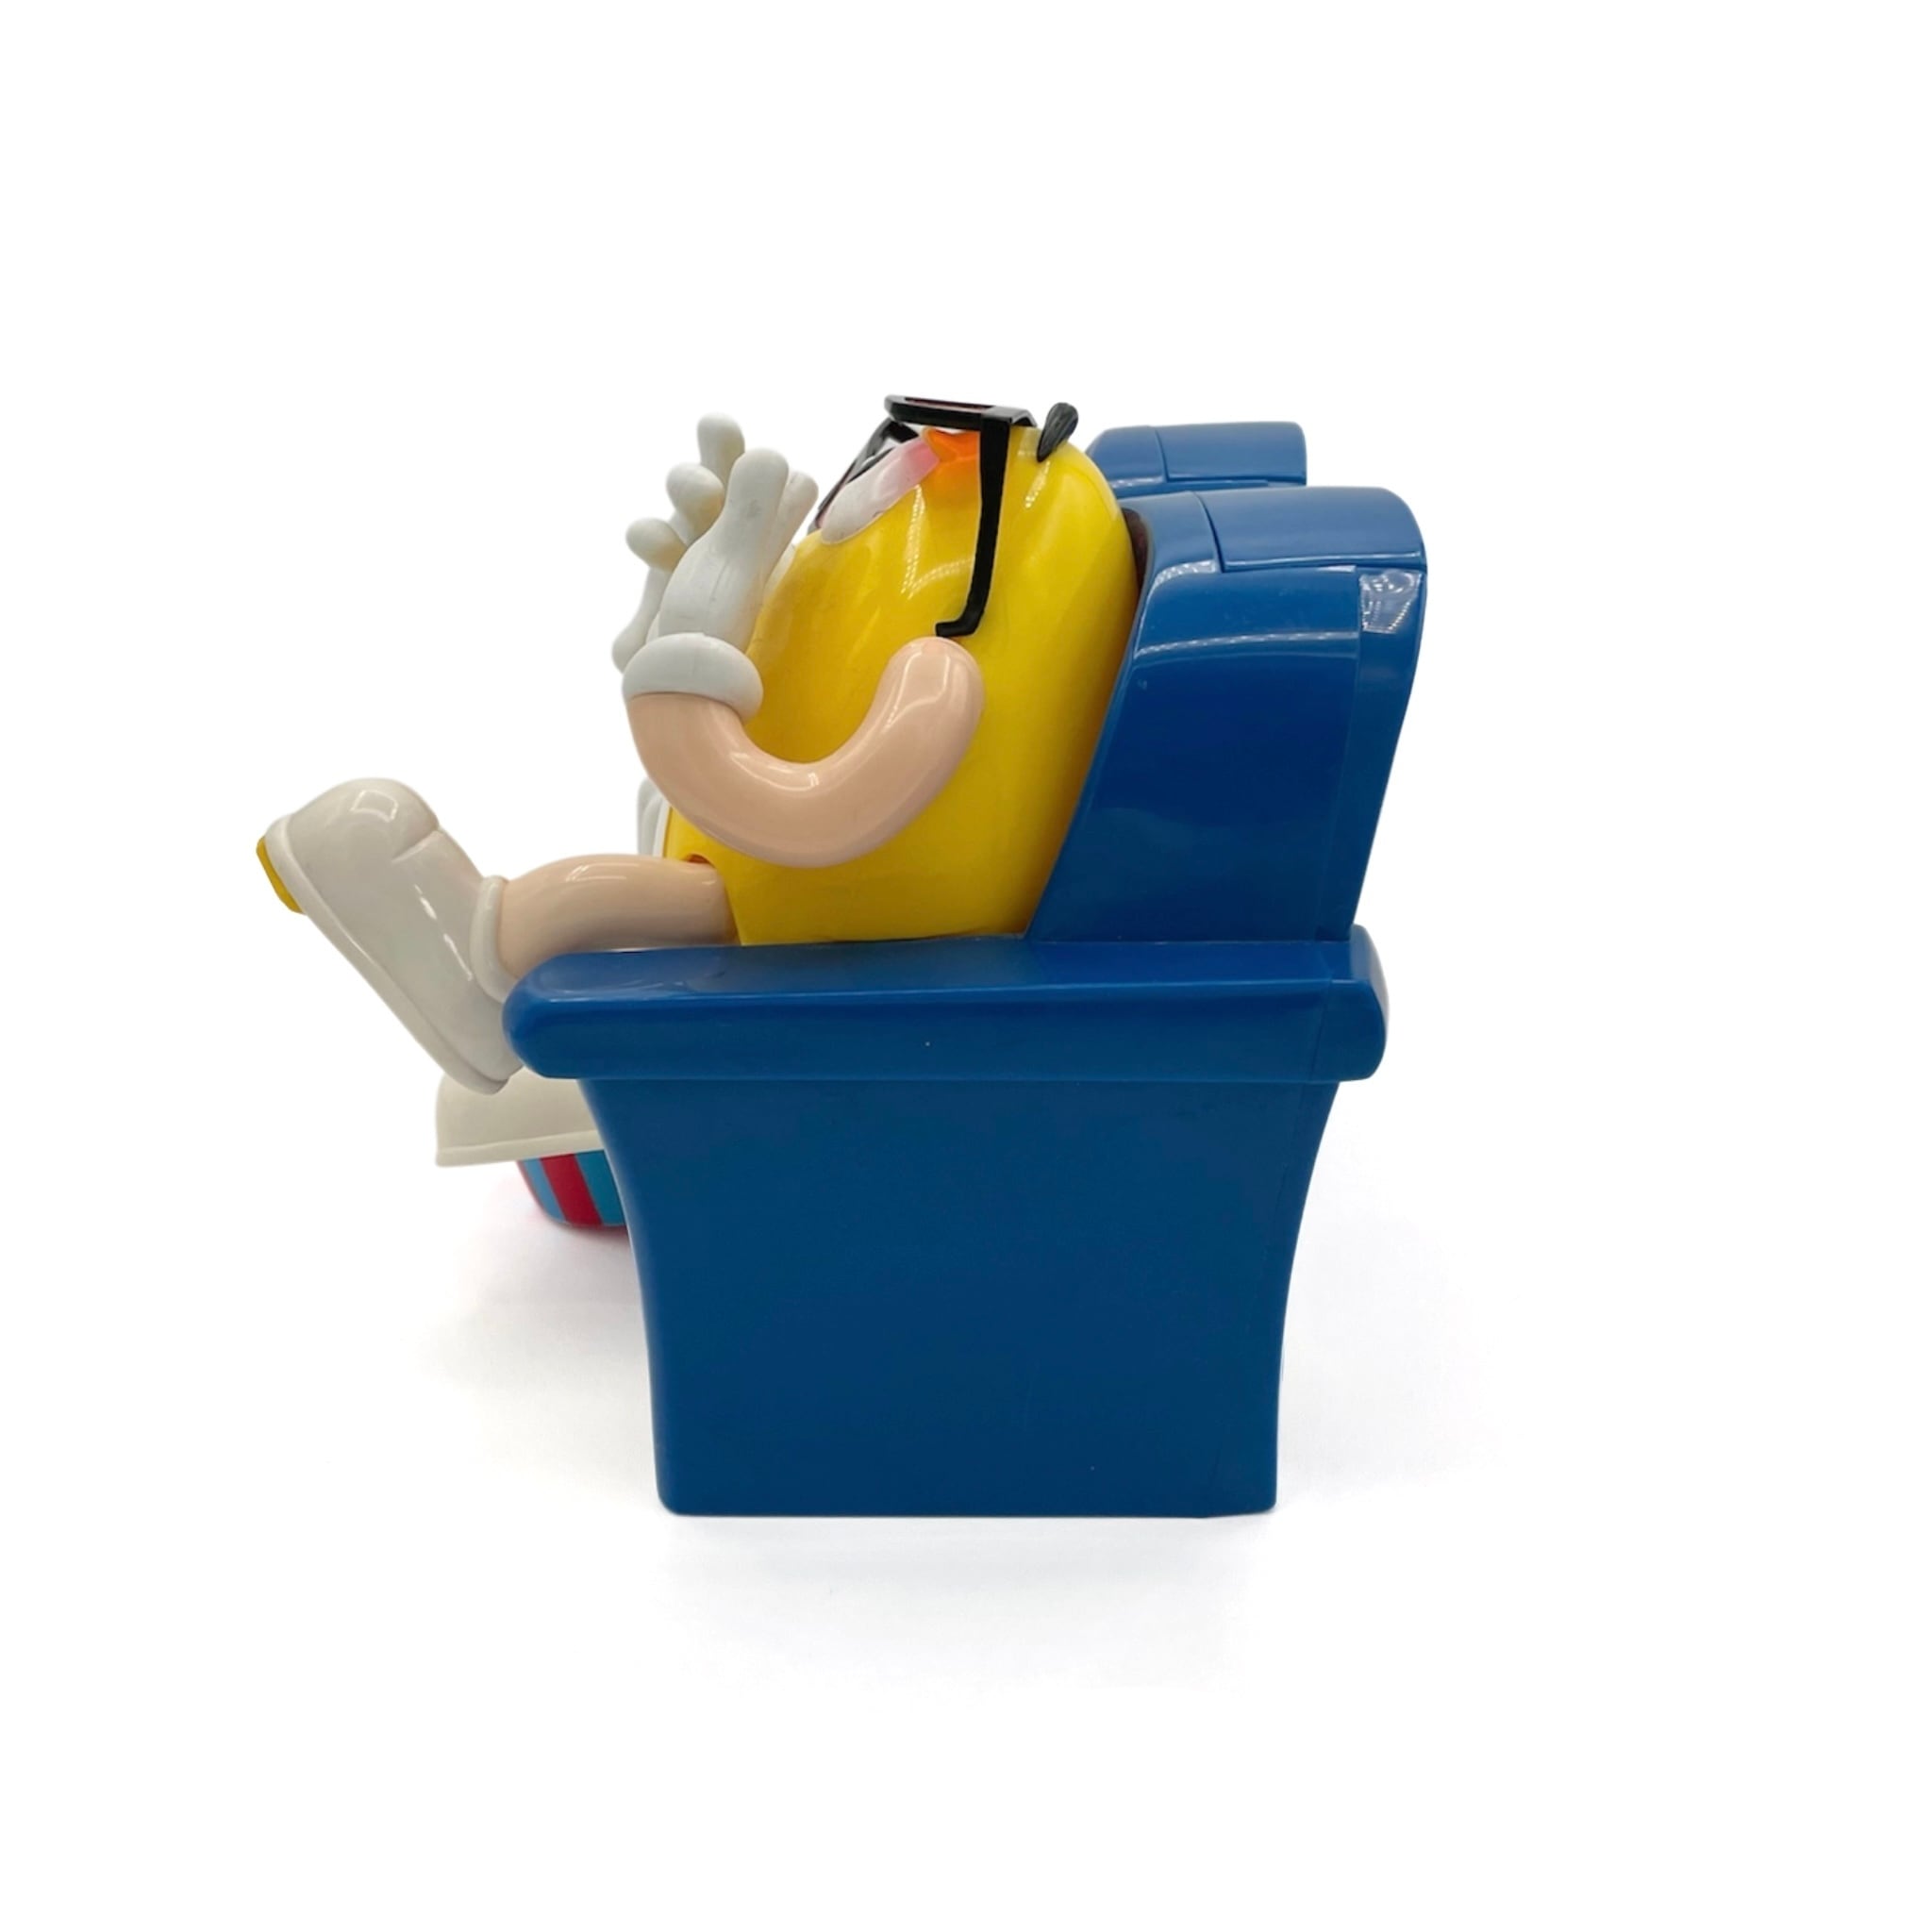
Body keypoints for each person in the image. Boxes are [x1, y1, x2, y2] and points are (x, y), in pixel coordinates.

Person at [258, 398, 1141, 1092]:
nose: (908, 468)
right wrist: (688, 614)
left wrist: (683, 666)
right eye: (898, 444)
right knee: (667, 865)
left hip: (817, 926)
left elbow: (813, 819)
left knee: (627, 898)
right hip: (740, 878)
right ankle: (499, 980)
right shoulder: (877, 578)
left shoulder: (938, 671)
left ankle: (478, 961)